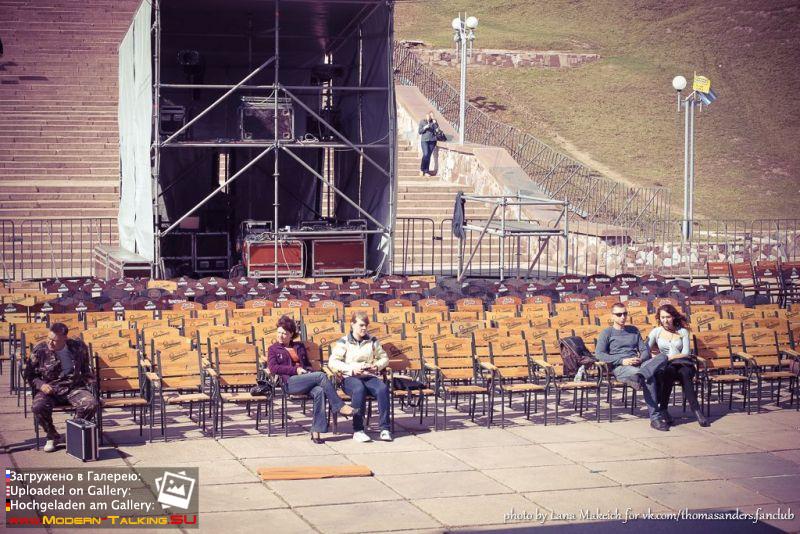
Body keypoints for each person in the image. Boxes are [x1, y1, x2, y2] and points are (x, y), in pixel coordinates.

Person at [267, 315, 354, 444]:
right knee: (321, 376)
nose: (281, 336)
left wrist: (307, 371)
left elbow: (307, 364)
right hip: (290, 383)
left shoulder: (299, 347)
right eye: (279, 332)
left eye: (284, 333)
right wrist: (295, 370)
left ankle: (316, 431)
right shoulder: (273, 349)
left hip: (305, 379)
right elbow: (273, 368)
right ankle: (339, 406)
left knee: (319, 391)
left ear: (291, 334)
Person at [24, 323, 98, 452]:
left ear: (65, 338)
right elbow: (29, 375)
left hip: (74, 387)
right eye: (49, 338)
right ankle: (52, 436)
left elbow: (86, 370)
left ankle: (72, 434)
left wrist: (95, 392)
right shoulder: (39, 350)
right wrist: (41, 385)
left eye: (54, 340)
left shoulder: (78, 347)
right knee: (38, 407)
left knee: (91, 404)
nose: (50, 343)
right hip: (50, 389)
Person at [595, 303, 670, 431]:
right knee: (649, 378)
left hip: (639, 364)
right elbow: (599, 354)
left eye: (625, 314)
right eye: (619, 314)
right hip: (621, 367)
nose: (622, 317)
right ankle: (655, 418)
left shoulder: (633, 330)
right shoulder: (607, 333)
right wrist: (622, 361)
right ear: (612, 316)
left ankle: (640, 375)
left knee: (663, 357)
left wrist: (640, 359)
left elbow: (644, 350)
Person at [328, 312, 392, 442]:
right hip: (349, 378)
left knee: (382, 389)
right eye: (361, 325)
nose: (364, 328)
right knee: (359, 389)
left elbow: (384, 358)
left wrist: (376, 366)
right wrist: (351, 369)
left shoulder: (372, 340)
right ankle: (358, 430)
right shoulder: (344, 341)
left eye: (366, 325)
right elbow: (332, 362)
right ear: (352, 325)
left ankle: (384, 429)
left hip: (368, 375)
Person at [648, 304, 709, 427]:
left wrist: (668, 357)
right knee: (669, 372)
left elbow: (685, 353)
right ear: (659, 318)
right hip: (667, 366)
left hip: (683, 364)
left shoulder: (682, 331)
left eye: (668, 317)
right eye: (662, 317)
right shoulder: (656, 332)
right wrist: (653, 357)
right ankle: (664, 409)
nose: (665, 320)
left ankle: (696, 411)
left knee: (684, 373)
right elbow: (645, 348)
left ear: (673, 317)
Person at [418, 110, 440, 176]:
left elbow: (437, 130)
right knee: (426, 154)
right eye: (428, 116)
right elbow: (419, 132)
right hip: (424, 141)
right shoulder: (422, 121)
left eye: (431, 116)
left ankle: (426, 171)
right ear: (426, 115)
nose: (429, 117)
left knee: (428, 156)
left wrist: (435, 123)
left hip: (432, 141)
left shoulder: (434, 122)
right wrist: (424, 128)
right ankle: (422, 169)